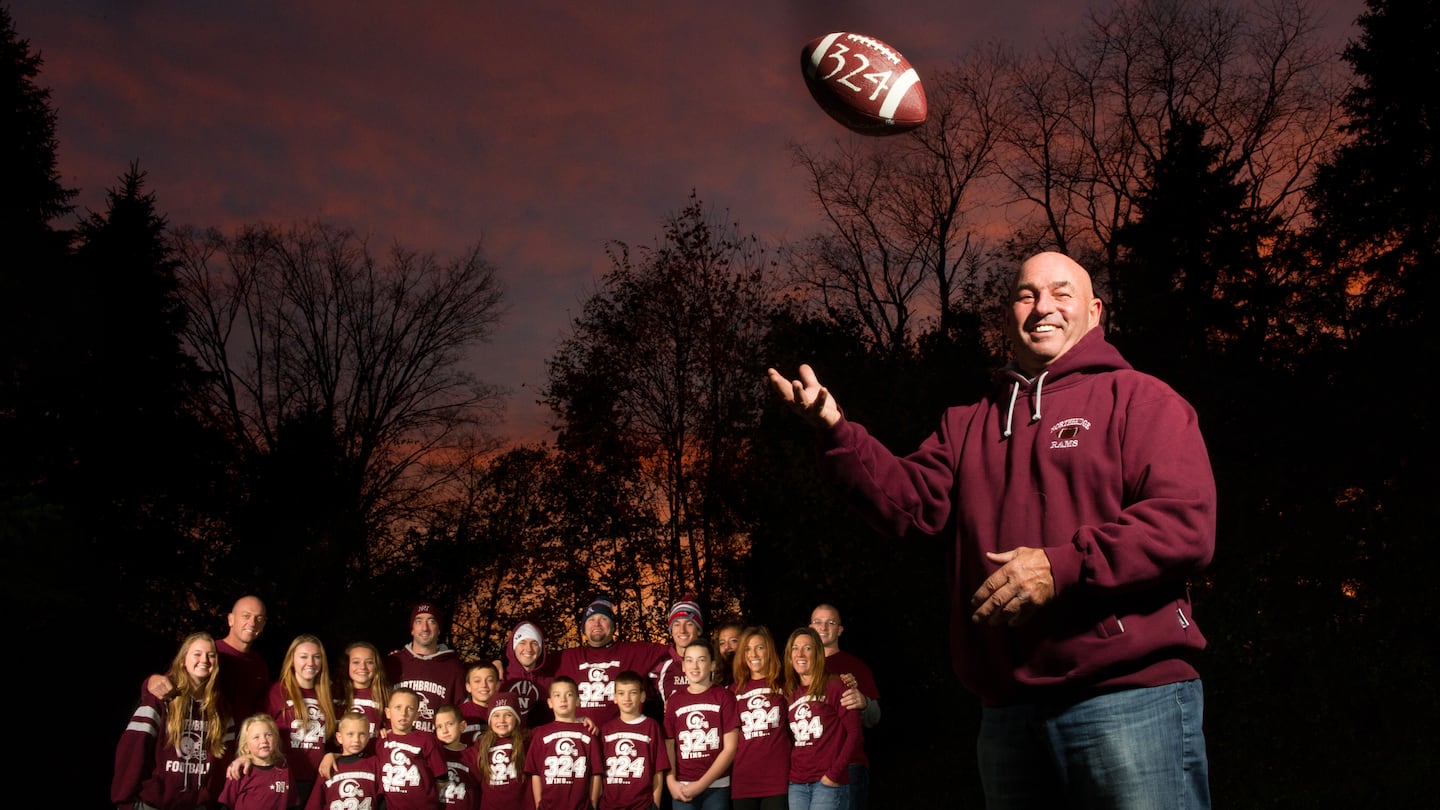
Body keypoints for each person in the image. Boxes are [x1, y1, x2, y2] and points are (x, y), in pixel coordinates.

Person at [767, 250, 1218, 808]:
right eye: (1026, 295)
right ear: (1007, 317)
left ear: (1095, 312)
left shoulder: (1141, 399)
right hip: (1008, 712)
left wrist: (1061, 566)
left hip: (1128, 698)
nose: (1042, 307)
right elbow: (907, 506)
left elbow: (1185, 523)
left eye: (1061, 293)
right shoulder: (969, 421)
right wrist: (837, 433)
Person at [113, 632, 234, 810]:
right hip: (154, 804)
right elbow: (133, 749)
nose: (205, 660)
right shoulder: (160, 699)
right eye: (197, 654)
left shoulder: (221, 710)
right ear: (183, 659)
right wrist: (125, 800)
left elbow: (223, 763)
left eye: (211, 655)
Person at [147, 595, 271, 720]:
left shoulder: (259, 664)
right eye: (246, 616)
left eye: (259, 618)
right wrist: (150, 681)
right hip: (207, 734)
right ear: (231, 620)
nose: (252, 623)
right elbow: (168, 682)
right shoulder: (209, 653)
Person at [808, 603, 879, 809]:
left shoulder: (855, 666)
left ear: (839, 630)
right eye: (818, 622)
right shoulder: (799, 668)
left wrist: (864, 702)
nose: (823, 627)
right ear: (809, 628)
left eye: (830, 623)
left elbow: (875, 717)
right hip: (808, 769)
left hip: (850, 766)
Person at [555, 598, 669, 727]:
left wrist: (674, 693)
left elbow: (677, 651)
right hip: (580, 741)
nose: (596, 624)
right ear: (583, 628)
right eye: (591, 619)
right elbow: (534, 666)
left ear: (613, 626)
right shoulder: (568, 657)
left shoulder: (634, 652)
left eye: (603, 619)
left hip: (622, 739)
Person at [782, 628, 859, 810]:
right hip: (797, 784)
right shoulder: (789, 692)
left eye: (807, 648)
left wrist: (833, 775)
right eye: (795, 648)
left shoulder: (834, 685)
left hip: (827, 782)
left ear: (817, 653)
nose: (800, 654)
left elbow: (854, 733)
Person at [662, 641, 739, 810]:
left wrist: (700, 785)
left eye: (701, 660)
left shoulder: (725, 697)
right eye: (689, 660)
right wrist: (671, 781)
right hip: (682, 786)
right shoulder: (674, 701)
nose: (694, 666)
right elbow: (669, 744)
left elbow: (730, 748)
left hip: (717, 786)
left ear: (712, 665)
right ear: (683, 666)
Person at [266, 633, 339, 805]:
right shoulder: (277, 691)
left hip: (317, 779)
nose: (311, 663)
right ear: (292, 660)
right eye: (304, 657)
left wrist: (331, 754)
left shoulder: (329, 693)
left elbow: (332, 737)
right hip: (283, 776)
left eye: (316, 657)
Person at [729, 627, 791, 810]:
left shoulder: (784, 686)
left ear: (769, 651)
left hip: (777, 780)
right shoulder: (733, 691)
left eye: (760, 648)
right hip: (743, 781)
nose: (753, 654)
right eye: (747, 649)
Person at [386, 602, 468, 735]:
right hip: (394, 748)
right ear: (412, 629)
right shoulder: (393, 663)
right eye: (419, 621)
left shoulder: (454, 668)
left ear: (439, 629)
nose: (425, 628)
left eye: (431, 621)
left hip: (434, 749)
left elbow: (464, 711)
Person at [524, 676, 602, 810]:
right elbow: (535, 772)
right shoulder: (540, 734)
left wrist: (593, 802)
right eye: (557, 695)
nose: (563, 699)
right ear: (549, 702)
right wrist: (538, 803)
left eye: (569, 694)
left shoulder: (588, 732)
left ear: (577, 701)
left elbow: (596, 772)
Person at [599, 670, 670, 810]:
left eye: (633, 692)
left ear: (642, 696)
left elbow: (658, 771)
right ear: (614, 697)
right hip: (610, 805)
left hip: (643, 805)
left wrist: (655, 804)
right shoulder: (606, 730)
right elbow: (598, 773)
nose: (627, 698)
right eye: (621, 693)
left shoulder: (652, 727)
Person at [379, 686, 450, 809]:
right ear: (388, 713)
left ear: (417, 715)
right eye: (398, 707)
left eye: (410, 708)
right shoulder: (380, 741)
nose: (403, 713)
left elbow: (441, 778)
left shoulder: (427, 739)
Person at [305, 712, 385, 810]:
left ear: (369, 736)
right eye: (350, 734)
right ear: (339, 737)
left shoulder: (374, 763)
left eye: (362, 734)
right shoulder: (329, 765)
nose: (356, 739)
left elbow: (384, 799)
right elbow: (315, 804)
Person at [218, 713, 299, 810]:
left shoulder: (284, 770)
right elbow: (226, 805)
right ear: (246, 746)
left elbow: (292, 805)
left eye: (268, 735)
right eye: (256, 737)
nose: (264, 740)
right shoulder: (239, 772)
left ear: (276, 740)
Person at [471, 694, 532, 810]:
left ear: (516, 718)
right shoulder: (481, 744)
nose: (501, 720)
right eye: (496, 716)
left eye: (508, 715)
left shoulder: (527, 741)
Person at [499, 618, 556, 728]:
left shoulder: (550, 684)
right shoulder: (500, 679)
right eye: (522, 642)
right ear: (513, 647)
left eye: (534, 643)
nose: (528, 649)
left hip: (539, 742)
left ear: (540, 649)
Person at [336, 640, 389, 753]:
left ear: (376, 666)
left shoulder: (384, 696)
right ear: (347, 665)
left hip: (371, 761)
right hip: (339, 761)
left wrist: (385, 731)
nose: (363, 667)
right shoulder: (335, 694)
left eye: (369, 662)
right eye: (356, 662)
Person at [654, 594, 704, 708]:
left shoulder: (712, 662)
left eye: (689, 624)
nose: (682, 630)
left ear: (699, 630)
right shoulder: (660, 665)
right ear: (671, 630)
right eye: (676, 624)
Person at [436, 704, 481, 810]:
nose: (445, 730)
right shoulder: (435, 753)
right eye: (439, 726)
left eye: (450, 724)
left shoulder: (474, 754)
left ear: (462, 726)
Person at [460, 661, 501, 745]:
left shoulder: (504, 713)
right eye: (477, 681)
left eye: (490, 680)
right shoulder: (458, 714)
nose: (483, 685)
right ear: (468, 687)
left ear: (497, 685)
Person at [711, 621, 744, 688]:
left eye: (733, 641)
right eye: (722, 643)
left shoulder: (753, 673)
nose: (727, 647)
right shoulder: (716, 676)